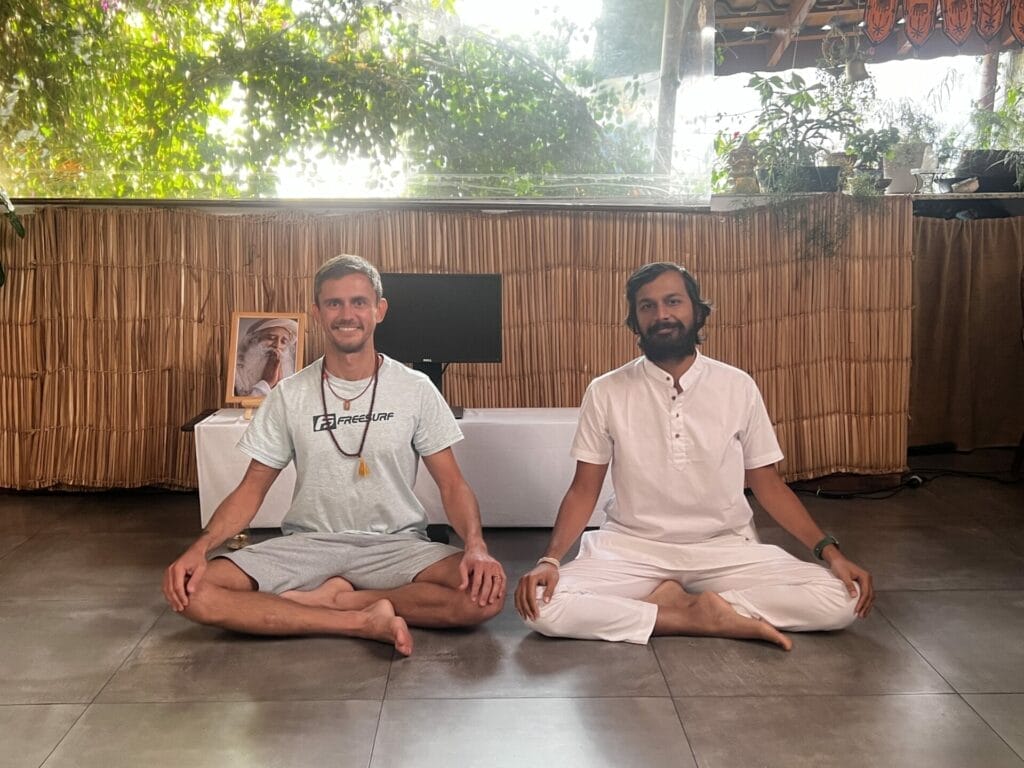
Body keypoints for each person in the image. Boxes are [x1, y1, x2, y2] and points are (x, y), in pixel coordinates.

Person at [514, 262, 873, 650]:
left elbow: (767, 484)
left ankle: (680, 608)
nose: (662, 315)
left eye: (673, 302)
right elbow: (584, 489)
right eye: (647, 306)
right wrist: (549, 561)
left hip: (724, 548)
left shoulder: (737, 386)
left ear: (698, 311)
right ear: (635, 321)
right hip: (632, 547)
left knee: (844, 600)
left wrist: (830, 553)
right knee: (540, 605)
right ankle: (695, 614)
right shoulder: (606, 391)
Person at [165, 254, 506, 656]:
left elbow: (452, 484)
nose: (348, 314)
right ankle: (357, 620)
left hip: (394, 545)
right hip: (308, 544)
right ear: (318, 312)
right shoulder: (289, 395)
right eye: (334, 303)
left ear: (379, 310)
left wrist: (476, 547)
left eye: (359, 302)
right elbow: (251, 489)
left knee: (485, 595)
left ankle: (337, 600)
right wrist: (200, 548)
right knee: (195, 592)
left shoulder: (415, 389)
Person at [233, 317, 299, 397]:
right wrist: (267, 383)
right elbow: (239, 407)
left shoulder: (292, 376)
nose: (277, 345)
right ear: (254, 340)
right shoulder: (235, 373)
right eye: (271, 338)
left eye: (283, 342)